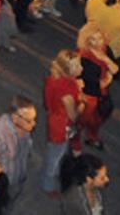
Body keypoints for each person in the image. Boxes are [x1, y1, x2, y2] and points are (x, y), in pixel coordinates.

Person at [42, 50, 84, 195]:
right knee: (55, 157)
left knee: (53, 151)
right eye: (78, 66)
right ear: (70, 70)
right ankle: (48, 185)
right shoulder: (68, 90)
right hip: (62, 127)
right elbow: (73, 116)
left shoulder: (53, 79)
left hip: (53, 119)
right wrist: (82, 105)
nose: (81, 68)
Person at [0, 96, 37, 203]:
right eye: (29, 120)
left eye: (34, 119)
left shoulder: (25, 128)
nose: (33, 124)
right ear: (15, 118)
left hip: (19, 177)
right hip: (6, 184)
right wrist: (0, 182)